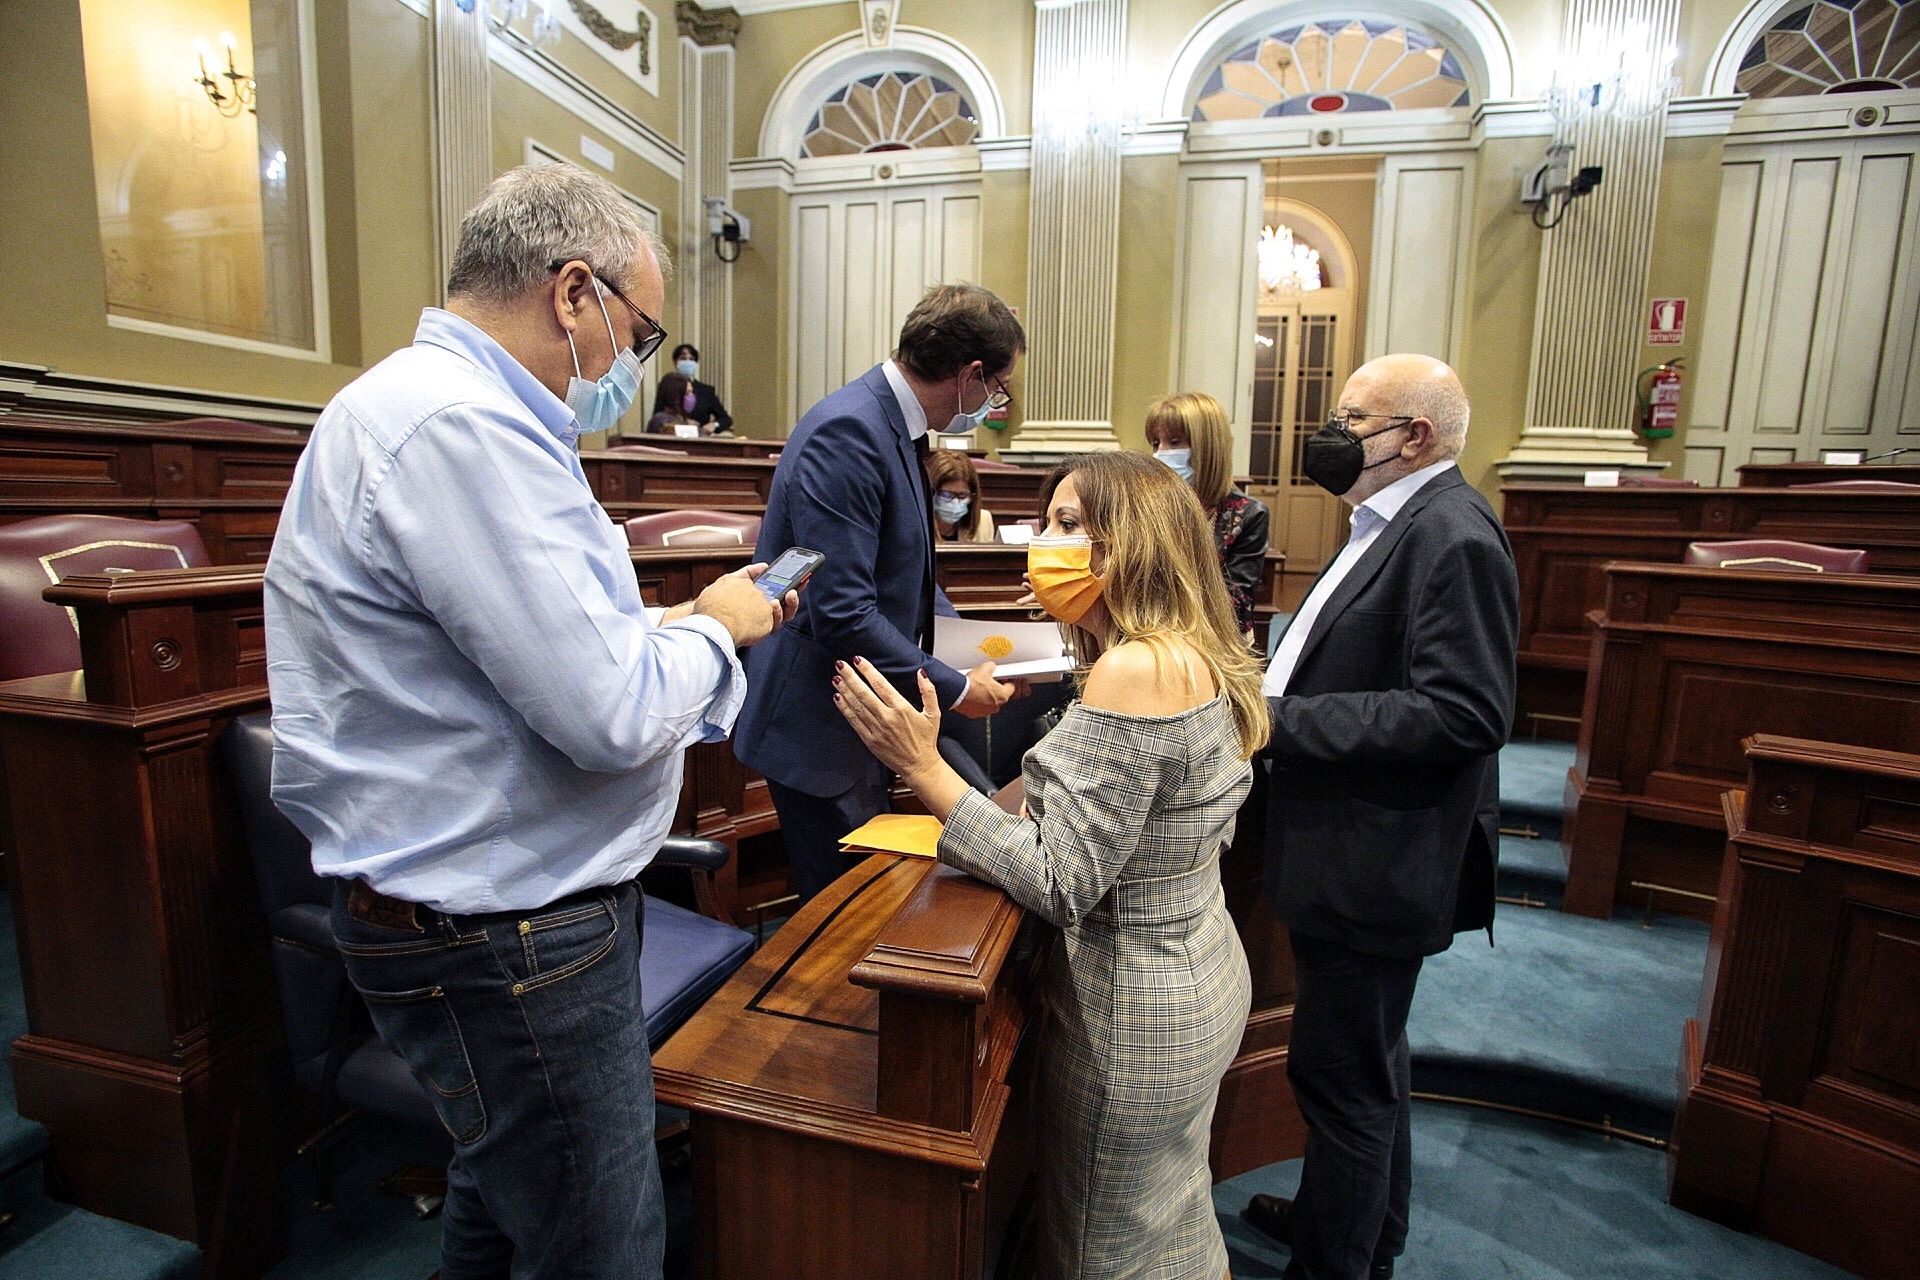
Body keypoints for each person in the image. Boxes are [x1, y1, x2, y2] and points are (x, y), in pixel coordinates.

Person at [264, 163, 795, 1280]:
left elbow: (544, 651)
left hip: (494, 917)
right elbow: (610, 712)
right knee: (598, 1246)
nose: (631, 365)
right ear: (572, 293)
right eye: (639, 332)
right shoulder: (459, 426)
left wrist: (672, 623)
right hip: (506, 933)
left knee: (505, 1201)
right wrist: (718, 627)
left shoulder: (438, 412)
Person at [834, 449, 1266, 1278]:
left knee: (1103, 1250)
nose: (1046, 542)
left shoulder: (1138, 668)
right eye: (1049, 522)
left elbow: (1062, 880)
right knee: (1167, 1220)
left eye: (1071, 526)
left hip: (1131, 1002)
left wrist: (925, 771)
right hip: (1195, 966)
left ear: (1131, 543)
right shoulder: (1181, 647)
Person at [1243, 353, 1518, 1280]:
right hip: (1353, 846)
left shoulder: (1454, 535)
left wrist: (1280, 722)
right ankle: (1361, 1224)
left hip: (1378, 857)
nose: (1334, 429)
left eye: (1355, 416)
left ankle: (1336, 1261)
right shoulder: (1392, 519)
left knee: (1341, 1080)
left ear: (1417, 437)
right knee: (1367, 1064)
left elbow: (1466, 711)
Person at [733, 283, 1026, 902]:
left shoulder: (890, 424)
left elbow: (907, 576)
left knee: (865, 906)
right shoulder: (851, 430)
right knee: (840, 920)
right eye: (997, 387)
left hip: (855, 711)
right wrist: (956, 689)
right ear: (970, 374)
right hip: (817, 724)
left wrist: (969, 649)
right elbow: (840, 610)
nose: (992, 401)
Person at [1144, 391, 1270, 639]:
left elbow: (1234, 604)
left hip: (1216, 642)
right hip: (1150, 637)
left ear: (1207, 448)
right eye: (1156, 443)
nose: (1161, 454)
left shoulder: (1248, 515)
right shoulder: (1148, 507)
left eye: (1175, 442)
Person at [647, 342, 732, 434]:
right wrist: (684, 423)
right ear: (675, 361)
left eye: (691, 359)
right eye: (683, 359)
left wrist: (714, 425)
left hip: (700, 437)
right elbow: (658, 415)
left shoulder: (706, 391)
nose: (687, 362)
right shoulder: (668, 386)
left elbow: (726, 419)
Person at [926, 447, 996, 541]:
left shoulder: (983, 521)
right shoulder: (914, 522)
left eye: (962, 496)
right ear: (931, 493)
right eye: (947, 495)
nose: (955, 502)